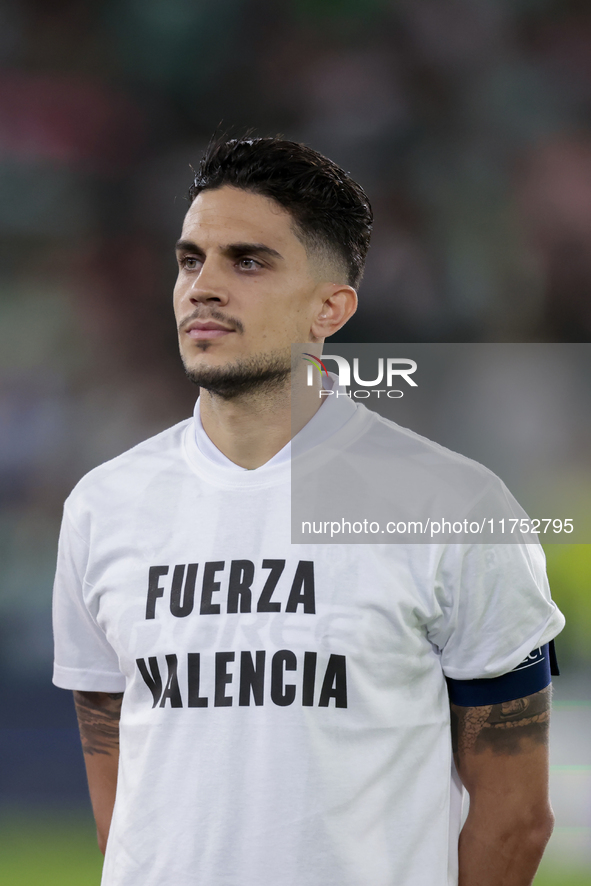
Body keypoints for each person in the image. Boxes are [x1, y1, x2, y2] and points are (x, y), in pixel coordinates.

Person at [52, 137, 565, 886]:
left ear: (331, 307)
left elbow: (516, 815)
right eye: (191, 259)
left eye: (247, 261)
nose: (203, 286)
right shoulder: (103, 505)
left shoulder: (453, 506)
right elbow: (120, 795)